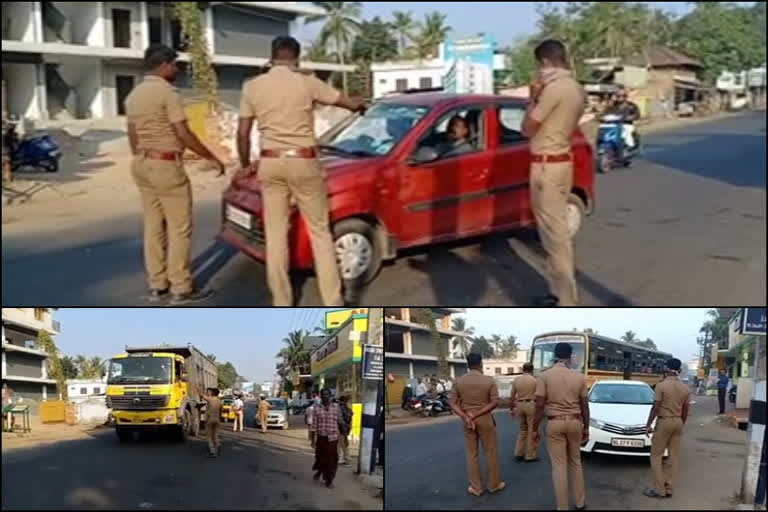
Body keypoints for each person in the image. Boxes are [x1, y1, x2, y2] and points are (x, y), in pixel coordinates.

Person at [237, 35, 367, 306]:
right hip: (303, 161)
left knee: (275, 234)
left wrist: (244, 164)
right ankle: (333, 301)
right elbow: (345, 102)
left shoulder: (252, 87)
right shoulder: (307, 82)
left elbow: (243, 132)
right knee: (320, 231)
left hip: (270, 163)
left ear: (272, 56)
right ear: (296, 57)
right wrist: (362, 102)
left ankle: (281, 303)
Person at [125, 44, 224, 305]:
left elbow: (132, 133)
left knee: (153, 226)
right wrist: (211, 157)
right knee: (180, 228)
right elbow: (183, 132)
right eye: (174, 64)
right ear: (164, 65)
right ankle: (181, 287)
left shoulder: (134, 94)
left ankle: (157, 285)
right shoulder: (167, 93)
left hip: (142, 164)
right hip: (166, 166)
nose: (176, 69)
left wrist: (141, 154)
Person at [521, 39, 586, 307]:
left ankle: (566, 301)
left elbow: (528, 127)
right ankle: (559, 293)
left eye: (539, 65)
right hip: (561, 162)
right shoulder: (577, 89)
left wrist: (534, 95)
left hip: (547, 166)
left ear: (545, 62)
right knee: (554, 233)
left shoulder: (553, 90)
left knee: (554, 236)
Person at [532, 342, 589, 511]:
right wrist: (586, 427)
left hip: (555, 422)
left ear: (555, 355)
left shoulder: (544, 376)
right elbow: (585, 406)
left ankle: (562, 507)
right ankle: (580, 503)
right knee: (576, 462)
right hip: (575, 422)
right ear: (570, 356)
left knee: (559, 466)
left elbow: (540, 405)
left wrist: (534, 429)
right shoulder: (579, 377)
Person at [451, 352, 506, 497]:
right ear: (481, 364)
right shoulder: (489, 381)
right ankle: (494, 485)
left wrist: (466, 416)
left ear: (467, 364)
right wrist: (477, 414)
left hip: (467, 421)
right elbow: (495, 402)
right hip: (485, 419)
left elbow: (453, 403)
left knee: (471, 454)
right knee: (490, 452)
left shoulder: (459, 381)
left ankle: (476, 488)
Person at [643, 358, 690, 499]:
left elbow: (655, 408)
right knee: (674, 457)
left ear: (666, 369)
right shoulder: (685, 388)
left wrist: (648, 424)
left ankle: (659, 489)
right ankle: (669, 488)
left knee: (656, 456)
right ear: (679, 370)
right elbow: (686, 410)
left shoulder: (661, 386)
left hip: (664, 422)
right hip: (678, 422)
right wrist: (681, 423)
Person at [311, 388, 344, 488]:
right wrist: (313, 440)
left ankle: (329, 480)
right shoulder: (316, 408)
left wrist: (345, 436)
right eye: (323, 395)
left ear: (330, 396)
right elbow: (313, 426)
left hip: (333, 439)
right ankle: (319, 472)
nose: (325, 396)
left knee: (332, 461)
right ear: (320, 396)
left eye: (327, 395)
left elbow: (340, 422)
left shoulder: (336, 407)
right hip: (321, 438)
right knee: (320, 459)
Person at [510, 362, 539, 462]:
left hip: (519, 405)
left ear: (523, 369)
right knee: (531, 429)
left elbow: (512, 396)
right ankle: (530, 455)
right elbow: (539, 395)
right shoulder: (534, 380)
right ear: (532, 370)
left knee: (522, 429)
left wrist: (512, 409)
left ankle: (519, 453)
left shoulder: (517, 380)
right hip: (530, 404)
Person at [197, 385, 223, 457]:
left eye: (210, 392)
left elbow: (201, 395)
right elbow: (221, 412)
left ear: (212, 393)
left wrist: (197, 388)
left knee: (209, 436)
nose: (209, 393)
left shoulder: (210, 399)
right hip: (217, 420)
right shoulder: (220, 402)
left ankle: (212, 451)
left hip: (210, 419)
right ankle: (218, 446)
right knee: (215, 435)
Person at [338, 395, 353, 465]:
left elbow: (341, 421)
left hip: (341, 428)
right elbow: (350, 420)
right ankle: (341, 459)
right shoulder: (349, 409)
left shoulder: (340, 408)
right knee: (342, 444)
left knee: (342, 444)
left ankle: (347, 460)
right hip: (347, 428)